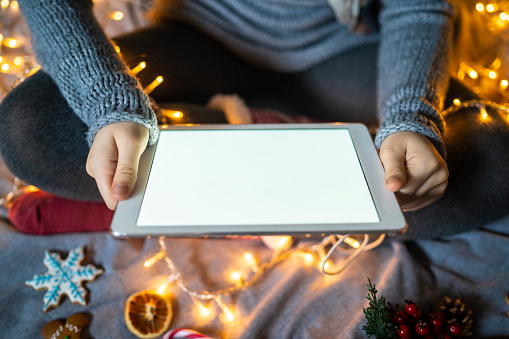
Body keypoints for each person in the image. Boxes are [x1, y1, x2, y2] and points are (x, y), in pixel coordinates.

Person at [2, 0, 503, 238]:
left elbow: (416, 7)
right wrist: (108, 104)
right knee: (27, 126)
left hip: (341, 51)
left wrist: (411, 120)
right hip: (201, 39)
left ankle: (176, 204)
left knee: (495, 153)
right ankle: (322, 201)